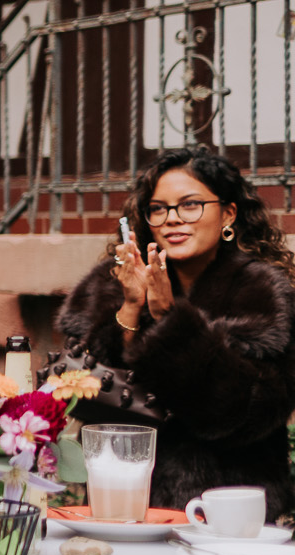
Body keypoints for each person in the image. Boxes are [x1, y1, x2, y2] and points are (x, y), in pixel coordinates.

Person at [57, 147, 295, 515]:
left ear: (228, 214)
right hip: (121, 504)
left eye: (190, 205)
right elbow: (85, 404)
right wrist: (130, 310)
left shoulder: (262, 295)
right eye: (158, 209)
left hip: (224, 512)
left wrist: (170, 319)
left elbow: (241, 417)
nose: (172, 219)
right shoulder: (108, 288)